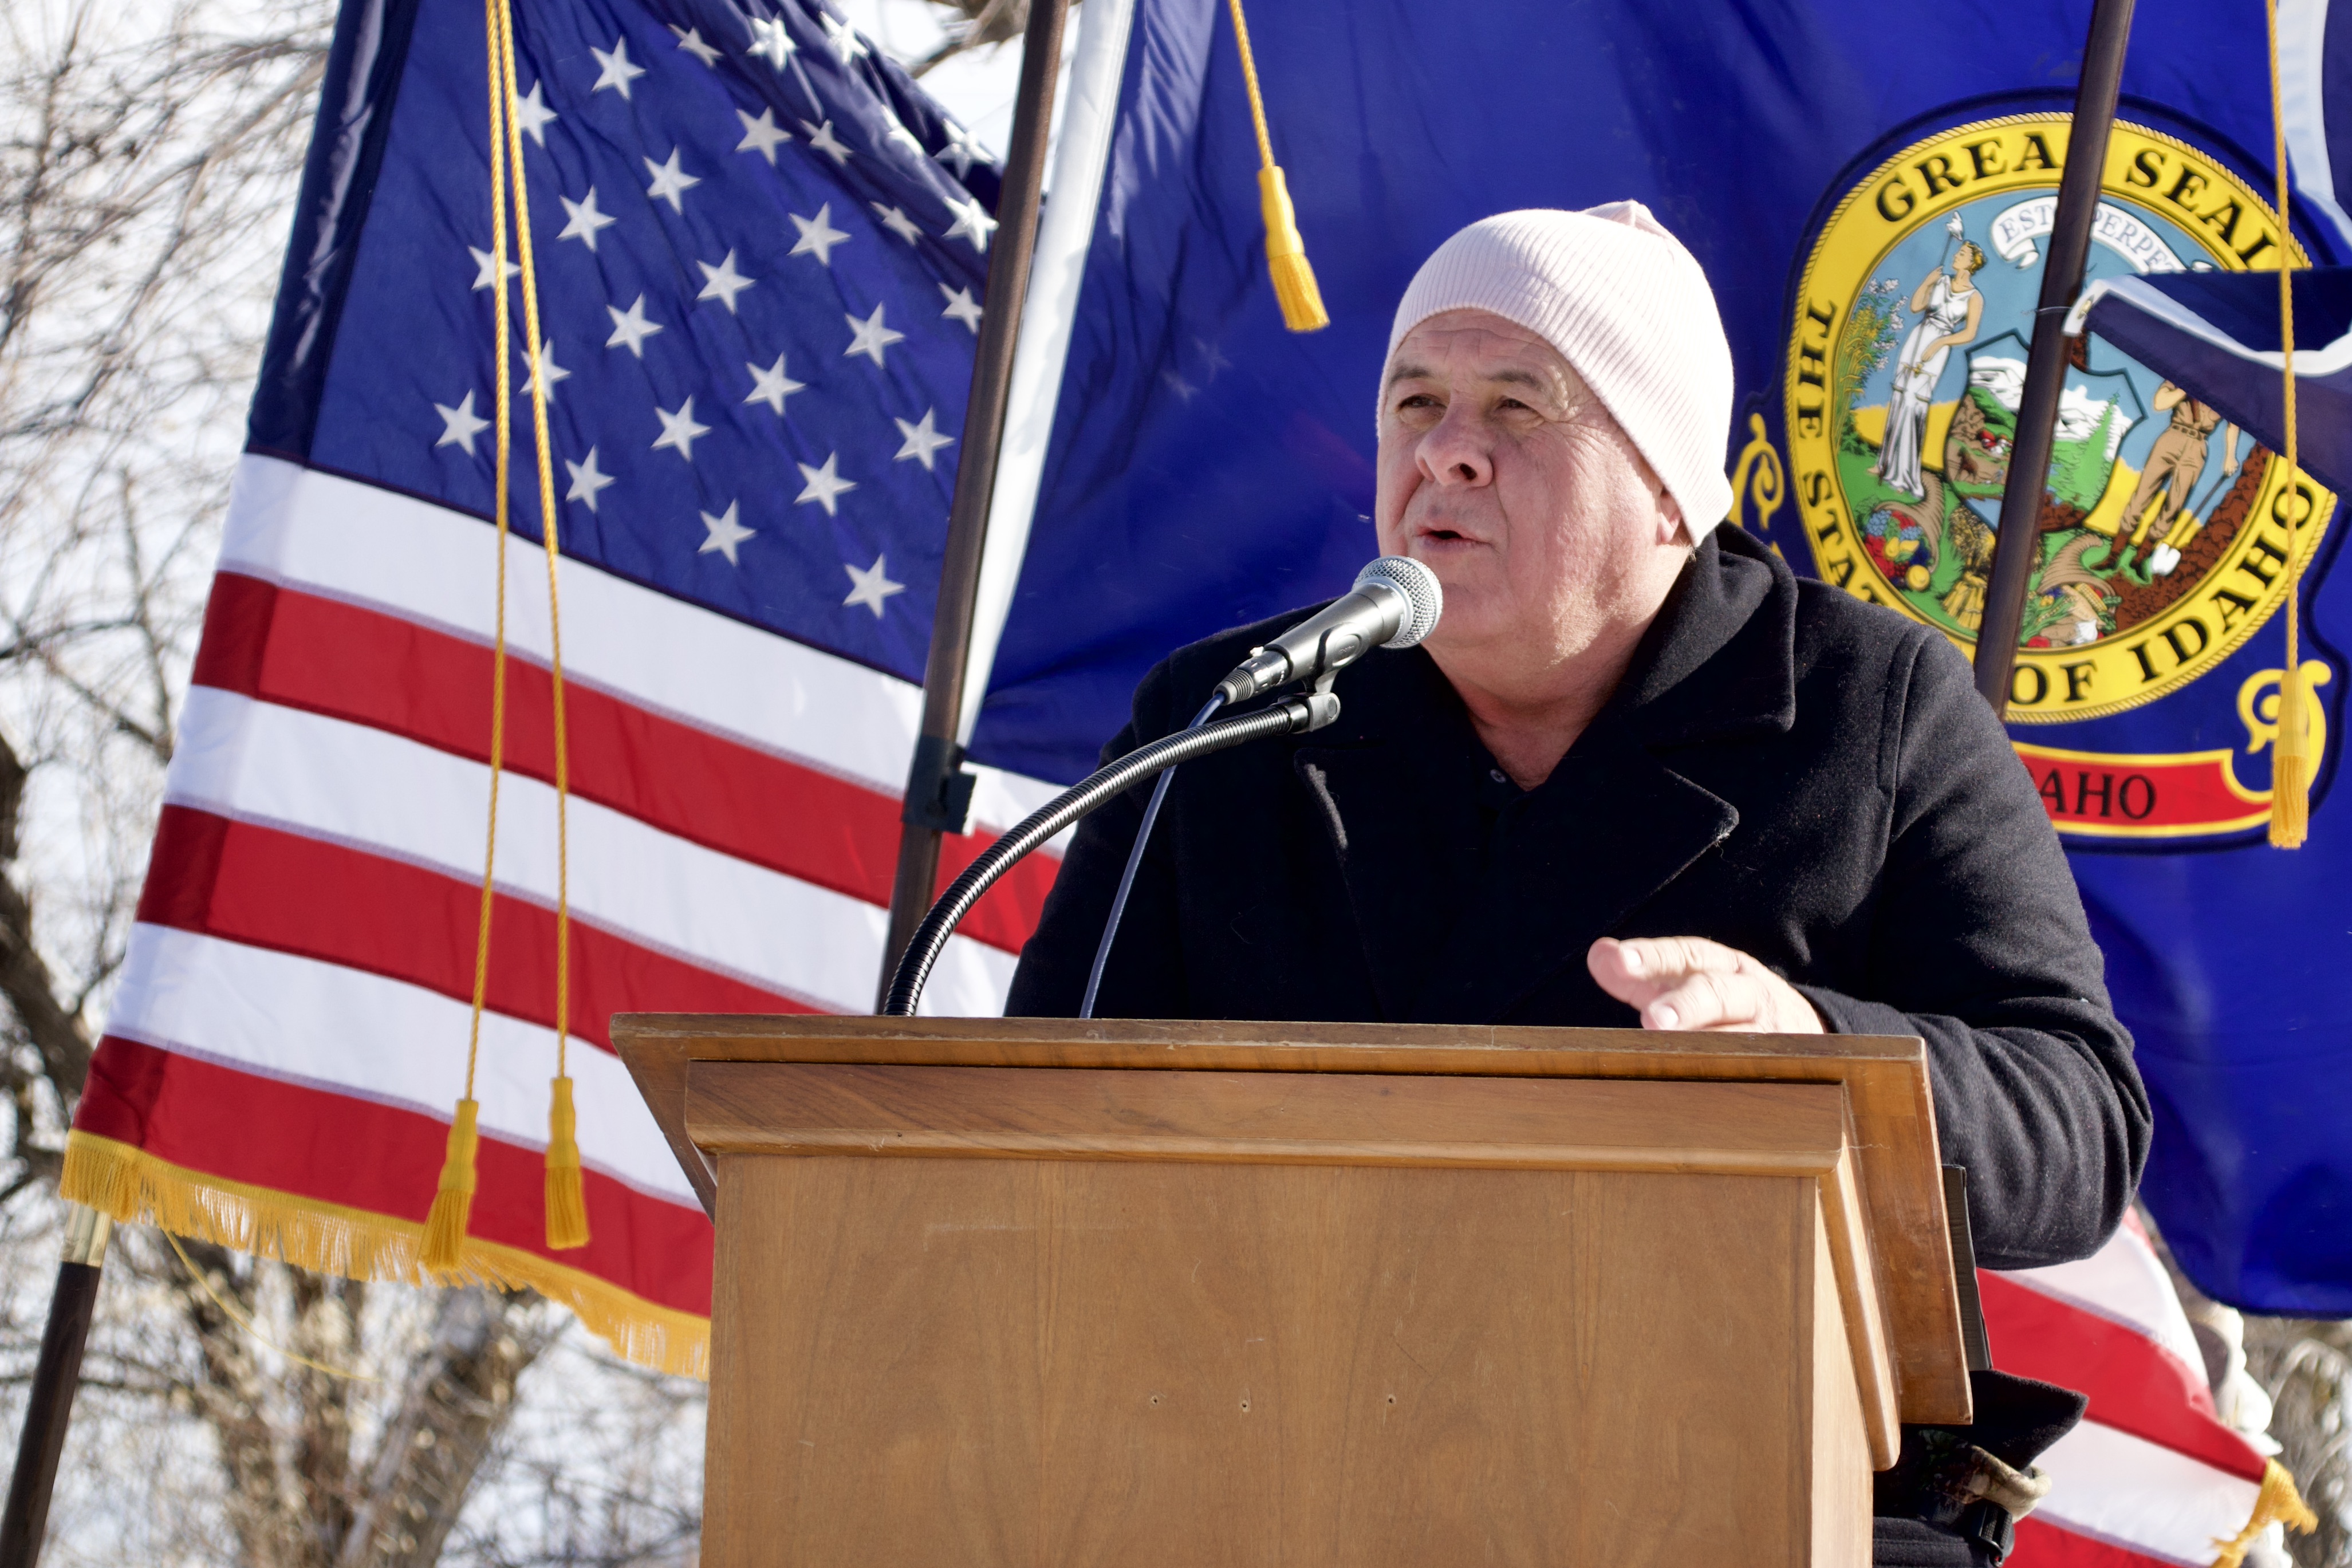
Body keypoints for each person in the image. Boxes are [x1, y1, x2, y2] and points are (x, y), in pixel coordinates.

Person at [1007, 205, 2147, 1567]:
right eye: (1411, 402)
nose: (1444, 451)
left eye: (1516, 406)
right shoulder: (1231, 715)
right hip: (1275, 1467)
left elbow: (2076, 1121)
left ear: (1668, 485)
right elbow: (1036, 1123)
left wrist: (1820, 1056)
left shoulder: (1867, 708)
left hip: (1746, 1489)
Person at [1874, 240, 1986, 499]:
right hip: (1919, 337)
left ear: (1972, 263)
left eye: (1962, 254)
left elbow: (1969, 333)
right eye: (1958, 253)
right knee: (1900, 397)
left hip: (1939, 345)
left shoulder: (1975, 296)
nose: (1957, 256)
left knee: (1916, 404)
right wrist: (1927, 282)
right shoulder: (1942, 281)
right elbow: (1916, 307)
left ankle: (1905, 473)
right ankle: (1885, 464)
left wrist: (1940, 343)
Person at [2121, 381, 2239, 576]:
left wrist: (2229, 456)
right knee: (2142, 494)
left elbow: (2233, 425)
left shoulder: (2226, 390)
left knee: (2174, 505)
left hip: (2197, 447)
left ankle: (2141, 558)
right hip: (2173, 436)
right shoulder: (2184, 375)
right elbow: (2159, 404)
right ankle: (2114, 553)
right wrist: (2186, 387)